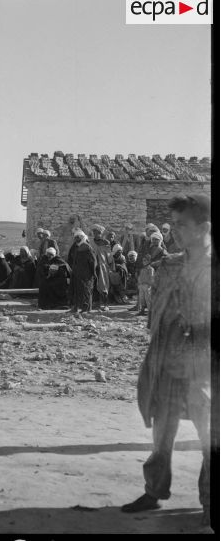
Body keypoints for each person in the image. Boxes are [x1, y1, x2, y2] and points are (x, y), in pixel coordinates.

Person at [121, 194, 213, 531]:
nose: (174, 231)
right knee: (162, 435)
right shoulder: (170, 265)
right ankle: (154, 491)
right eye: (171, 224)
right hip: (169, 365)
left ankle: (210, 506)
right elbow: (156, 317)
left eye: (181, 225)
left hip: (208, 369)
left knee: (211, 441)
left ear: (204, 227)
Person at [69, 230, 98, 313]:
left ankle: (86, 307)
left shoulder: (87, 247)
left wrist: (93, 272)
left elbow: (93, 261)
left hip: (86, 274)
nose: (76, 239)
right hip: (77, 272)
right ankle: (76, 307)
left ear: (82, 237)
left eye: (78, 237)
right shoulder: (77, 247)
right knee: (76, 290)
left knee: (86, 290)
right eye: (75, 237)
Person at [90, 224, 113, 311]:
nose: (96, 234)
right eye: (95, 232)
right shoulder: (91, 242)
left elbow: (109, 256)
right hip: (93, 266)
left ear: (101, 233)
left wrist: (110, 266)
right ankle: (96, 303)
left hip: (103, 266)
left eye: (98, 232)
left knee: (103, 285)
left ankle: (105, 304)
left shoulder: (105, 242)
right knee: (94, 284)